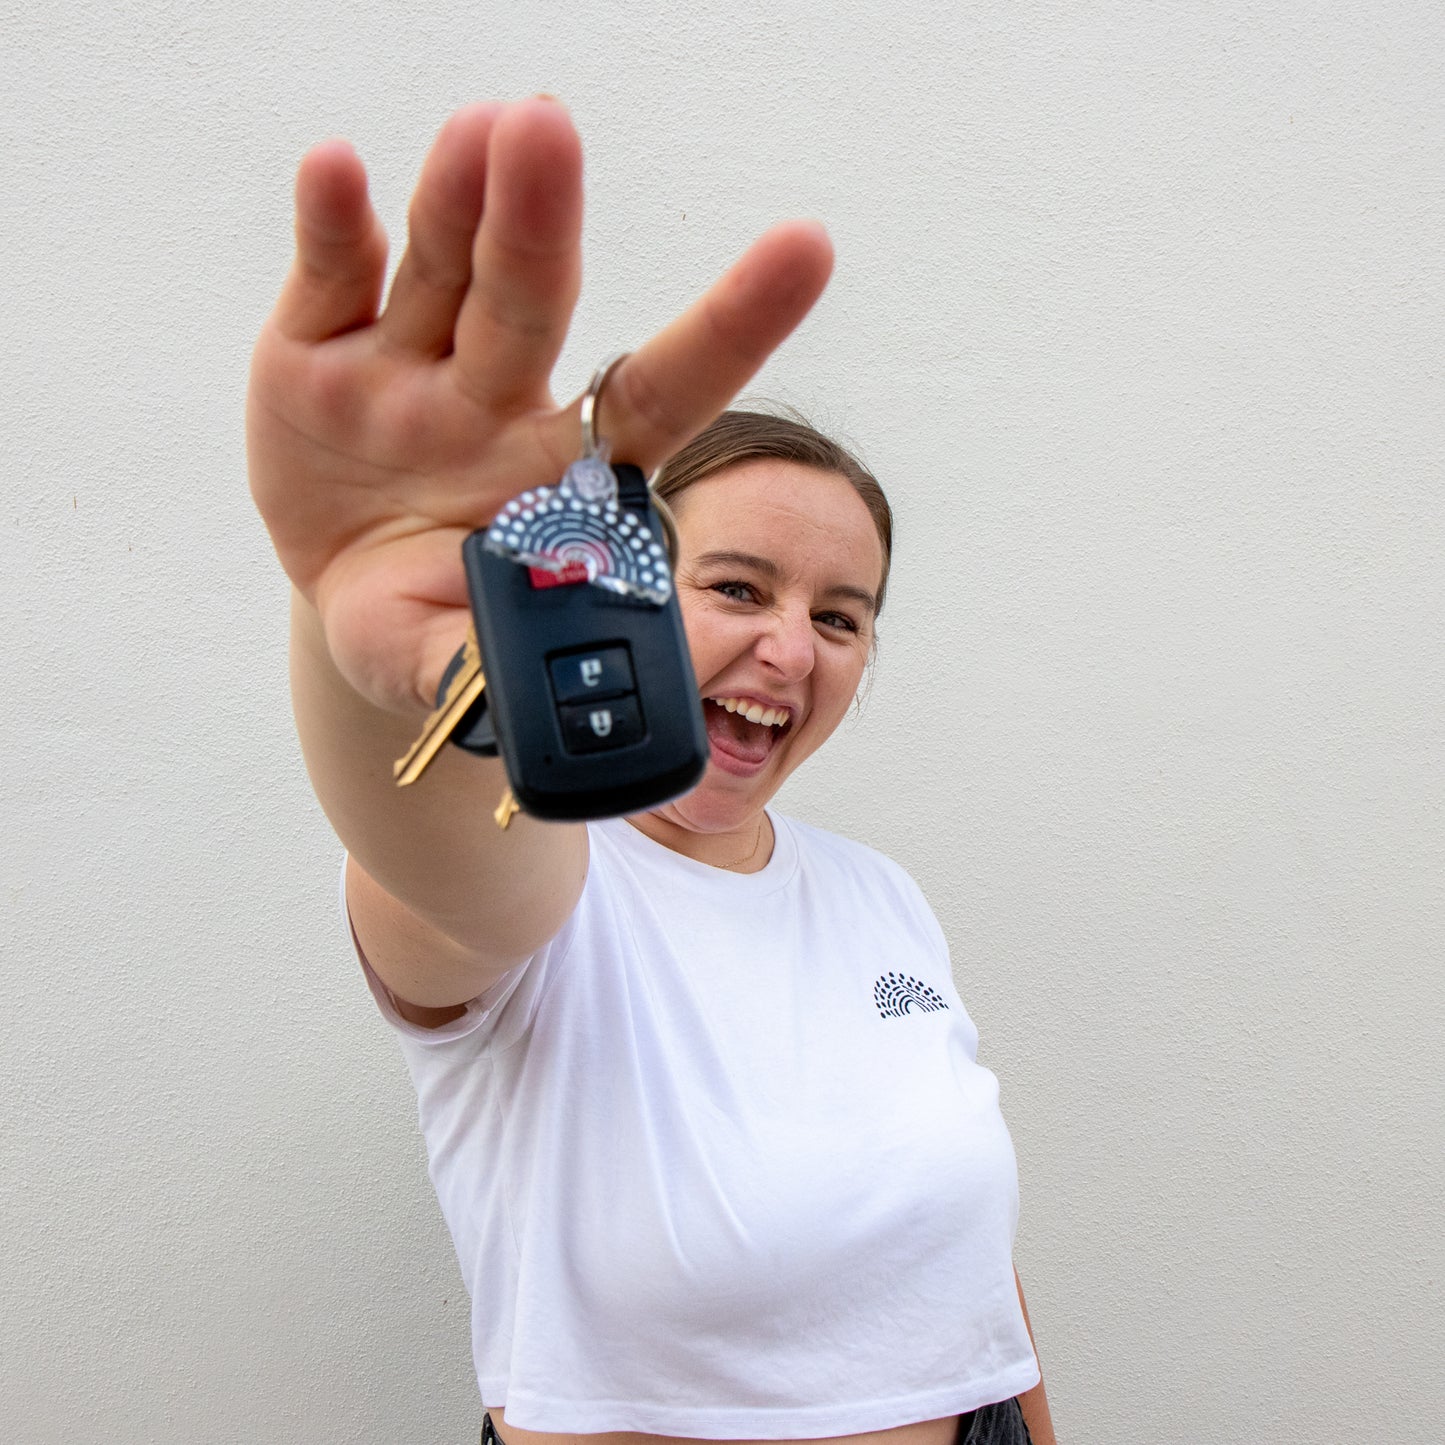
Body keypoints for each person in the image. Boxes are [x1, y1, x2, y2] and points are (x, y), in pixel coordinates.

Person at [248, 98, 1058, 1445]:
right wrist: (356, 612)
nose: (790, 647)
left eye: (840, 615)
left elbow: (967, 1265)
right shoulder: (544, 883)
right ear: (614, 592)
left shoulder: (881, 899)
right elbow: (445, 861)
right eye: (736, 584)